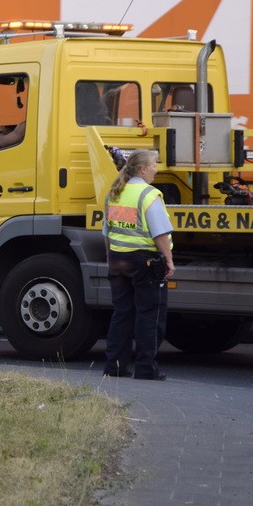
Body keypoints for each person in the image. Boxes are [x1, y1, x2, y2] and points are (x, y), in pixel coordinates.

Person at [102, 149, 175, 380]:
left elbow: (107, 232)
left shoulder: (114, 193)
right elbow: (160, 233)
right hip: (144, 262)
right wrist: (169, 260)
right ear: (143, 169)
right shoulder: (149, 195)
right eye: (154, 165)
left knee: (121, 314)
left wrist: (109, 257)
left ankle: (114, 366)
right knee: (149, 314)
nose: (156, 169)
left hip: (117, 259)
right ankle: (145, 368)